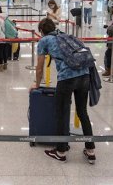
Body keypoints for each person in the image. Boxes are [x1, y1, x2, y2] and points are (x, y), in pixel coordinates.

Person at [32, 18, 95, 164]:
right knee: (82, 112)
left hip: (67, 78)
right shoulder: (65, 36)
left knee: (61, 113)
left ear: (41, 30)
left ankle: (61, 151)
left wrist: (36, 84)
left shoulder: (44, 40)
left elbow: (40, 67)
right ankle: (90, 150)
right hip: (85, 75)